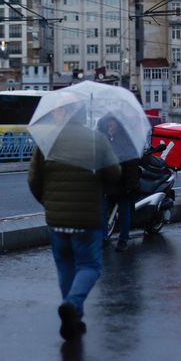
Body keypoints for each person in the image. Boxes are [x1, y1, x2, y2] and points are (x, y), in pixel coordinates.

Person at [28, 106, 121, 342]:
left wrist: (48, 203)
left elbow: (34, 179)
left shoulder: (48, 140)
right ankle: (72, 304)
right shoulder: (96, 140)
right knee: (90, 266)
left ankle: (74, 319)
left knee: (66, 267)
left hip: (57, 220)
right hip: (86, 219)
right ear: (82, 118)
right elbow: (115, 174)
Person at [99, 116, 139, 252]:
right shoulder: (104, 138)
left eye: (113, 122)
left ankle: (123, 239)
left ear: (118, 124)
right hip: (108, 181)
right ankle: (103, 237)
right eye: (109, 122)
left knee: (123, 209)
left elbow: (131, 163)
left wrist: (129, 185)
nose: (110, 124)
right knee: (102, 209)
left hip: (122, 182)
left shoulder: (125, 140)